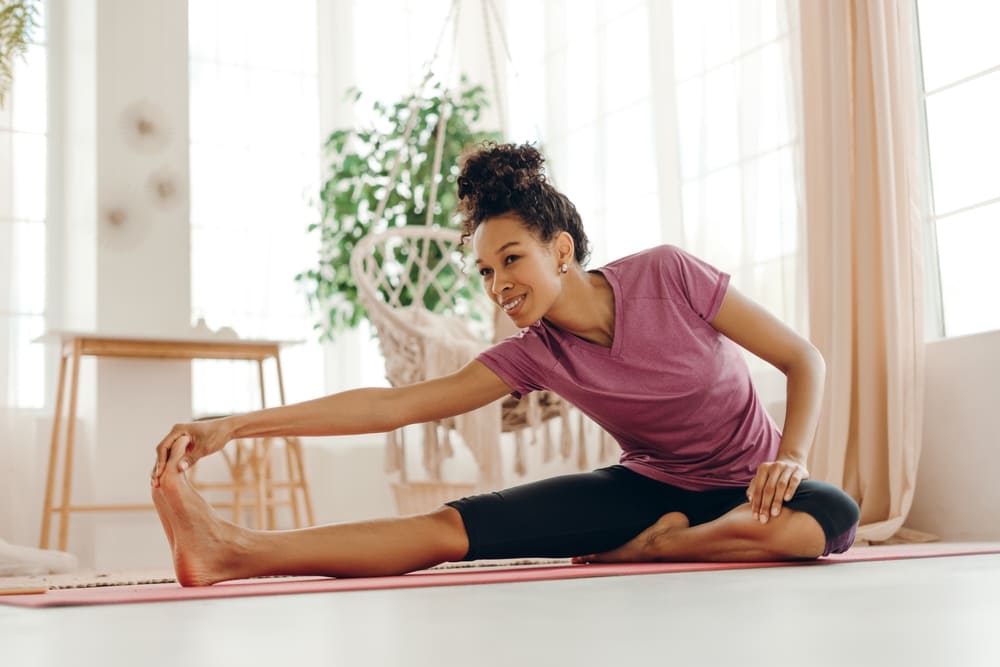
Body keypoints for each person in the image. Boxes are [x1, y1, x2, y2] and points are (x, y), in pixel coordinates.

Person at [150, 142, 860, 587]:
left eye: (510, 259)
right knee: (448, 528)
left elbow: (802, 357)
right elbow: (392, 405)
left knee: (827, 516)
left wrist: (791, 455)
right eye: (486, 272)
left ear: (560, 249)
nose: (498, 286)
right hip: (647, 488)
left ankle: (650, 551)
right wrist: (234, 424)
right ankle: (234, 551)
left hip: (755, 490)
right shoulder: (534, 353)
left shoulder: (670, 275)